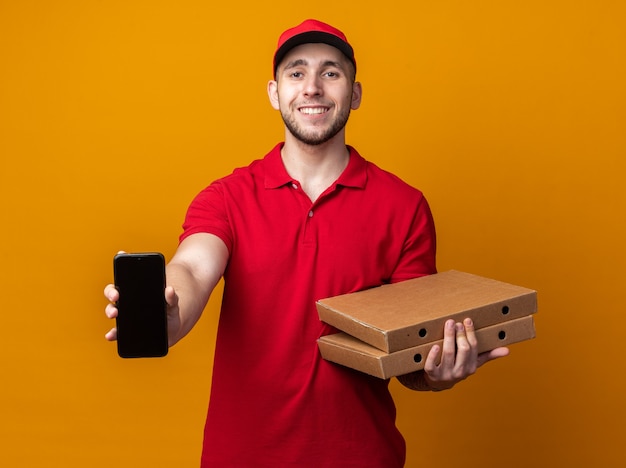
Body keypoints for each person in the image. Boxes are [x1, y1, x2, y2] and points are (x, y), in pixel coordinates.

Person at [104, 19, 509, 467]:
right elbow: (195, 267)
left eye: (330, 72)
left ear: (354, 94)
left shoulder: (404, 206)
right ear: (275, 93)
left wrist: (438, 373)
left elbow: (412, 354)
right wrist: (168, 308)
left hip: (363, 457)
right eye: (296, 73)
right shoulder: (226, 197)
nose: (312, 87)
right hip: (240, 457)